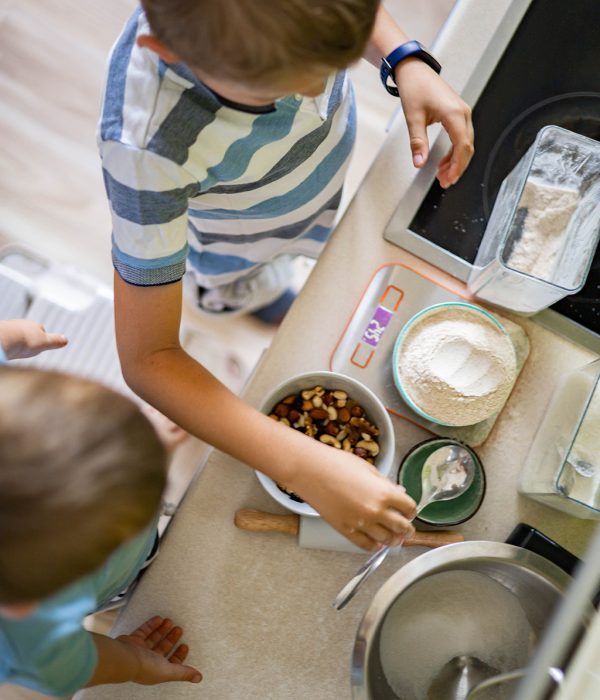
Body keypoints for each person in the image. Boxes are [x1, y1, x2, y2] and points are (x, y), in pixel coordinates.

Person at [99, 0, 474, 551]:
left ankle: (275, 286)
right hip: (236, 241)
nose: (310, 94)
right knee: (243, 286)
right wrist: (302, 466)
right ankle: (254, 297)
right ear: (166, 49)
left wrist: (404, 57)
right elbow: (148, 359)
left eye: (327, 73)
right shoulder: (147, 154)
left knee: (306, 258)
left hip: (306, 194)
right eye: (278, 90)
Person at [0, 318, 203, 696]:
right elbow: (81, 664)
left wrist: (11, 336)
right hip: (113, 582)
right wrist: (134, 660)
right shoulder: (30, 644)